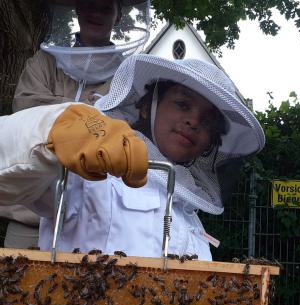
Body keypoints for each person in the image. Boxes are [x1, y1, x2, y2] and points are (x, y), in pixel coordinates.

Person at [0, 54, 265, 260]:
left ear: (211, 143)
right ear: (148, 107)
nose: (193, 121)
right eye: (182, 104)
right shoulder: (91, 170)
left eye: (207, 122)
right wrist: (49, 132)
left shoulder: (190, 215)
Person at [1, 0, 150, 249]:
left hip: (93, 222)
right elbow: (26, 111)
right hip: (29, 217)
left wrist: (60, 109)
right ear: (78, 9)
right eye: (89, 4)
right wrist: (91, 113)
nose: (95, 12)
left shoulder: (127, 75)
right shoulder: (45, 61)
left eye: (105, 8)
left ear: (118, 16)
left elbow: (123, 124)